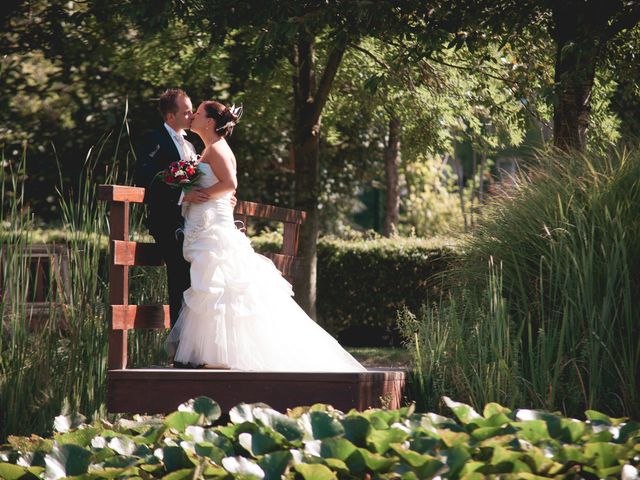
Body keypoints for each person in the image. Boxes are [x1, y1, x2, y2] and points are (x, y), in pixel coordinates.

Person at [166, 100, 365, 372]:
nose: (194, 116)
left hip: (213, 227)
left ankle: (225, 353)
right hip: (207, 223)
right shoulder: (211, 149)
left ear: (210, 122)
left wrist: (202, 196)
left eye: (199, 113)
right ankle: (217, 353)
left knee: (219, 283)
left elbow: (230, 184)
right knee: (216, 285)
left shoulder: (217, 149)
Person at [134, 89, 235, 369]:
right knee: (182, 276)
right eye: (187, 111)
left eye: (194, 111)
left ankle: (193, 350)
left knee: (196, 280)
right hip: (169, 221)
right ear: (171, 116)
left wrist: (221, 194)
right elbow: (145, 179)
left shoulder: (192, 145)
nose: (191, 115)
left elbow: (212, 181)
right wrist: (182, 197)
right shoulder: (154, 140)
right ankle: (183, 351)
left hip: (194, 222)